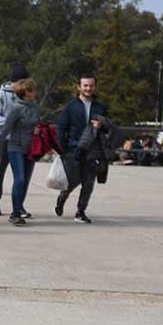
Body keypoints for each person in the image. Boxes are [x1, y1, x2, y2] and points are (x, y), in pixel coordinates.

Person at [55, 75, 108, 222]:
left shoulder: (100, 107)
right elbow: (61, 128)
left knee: (88, 183)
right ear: (79, 87)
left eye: (91, 85)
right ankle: (61, 199)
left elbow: (108, 127)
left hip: (92, 151)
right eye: (85, 85)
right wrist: (63, 148)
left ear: (94, 87)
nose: (88, 88)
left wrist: (102, 125)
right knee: (72, 182)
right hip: (74, 150)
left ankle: (80, 212)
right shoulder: (70, 106)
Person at [0, 64, 29, 216]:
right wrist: (10, 122)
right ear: (15, 81)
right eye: (22, 82)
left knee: (20, 176)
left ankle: (19, 205)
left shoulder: (26, 95)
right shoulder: (0, 95)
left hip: (20, 141)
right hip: (3, 139)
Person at [0, 78, 40, 226]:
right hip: (15, 147)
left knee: (25, 182)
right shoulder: (15, 108)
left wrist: (38, 129)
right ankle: (15, 214)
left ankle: (18, 209)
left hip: (31, 149)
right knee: (20, 179)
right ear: (26, 92)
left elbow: (37, 122)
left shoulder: (34, 107)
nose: (35, 93)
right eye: (33, 90)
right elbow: (5, 130)